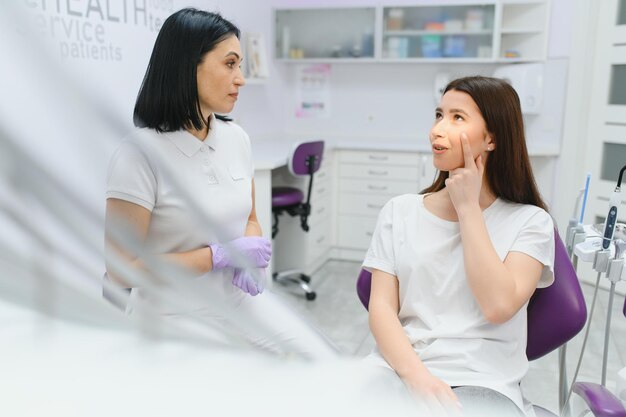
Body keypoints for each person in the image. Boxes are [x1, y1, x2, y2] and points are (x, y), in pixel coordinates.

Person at [104, 8, 335, 358]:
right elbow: (121, 270)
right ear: (188, 66)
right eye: (230, 64)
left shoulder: (237, 138)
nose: (240, 78)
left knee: (320, 362)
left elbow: (251, 218)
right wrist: (216, 257)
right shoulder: (139, 154)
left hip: (239, 304)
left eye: (240, 65)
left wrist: (251, 249)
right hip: (174, 317)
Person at [363, 76, 555, 417]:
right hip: (399, 369)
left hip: (484, 380)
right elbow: (381, 308)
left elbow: (497, 307)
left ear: (492, 138)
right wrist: (417, 377)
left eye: (457, 118)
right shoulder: (400, 210)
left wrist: (468, 209)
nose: (437, 129)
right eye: (439, 115)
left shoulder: (531, 222)